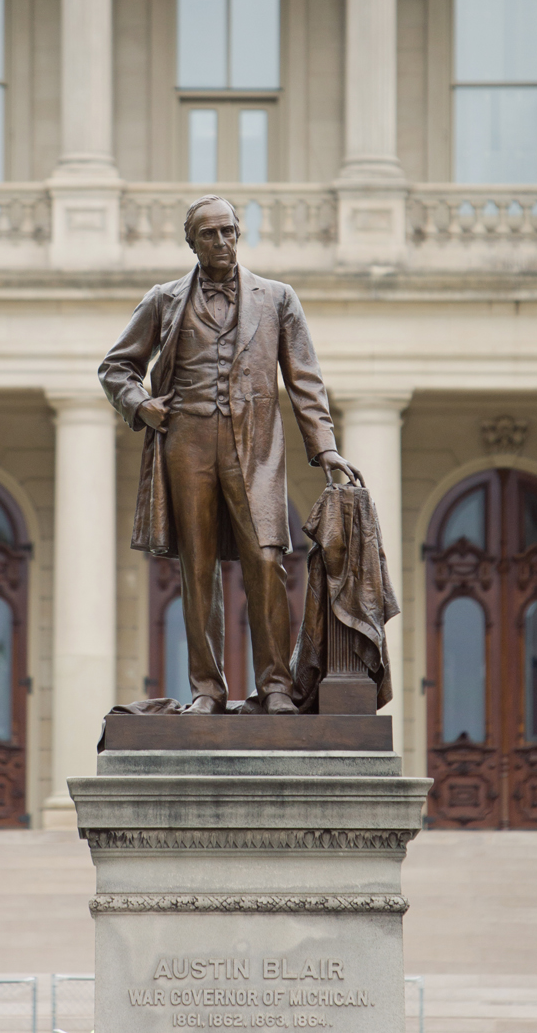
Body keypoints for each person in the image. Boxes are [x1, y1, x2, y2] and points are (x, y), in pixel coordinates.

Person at [98, 194, 362, 715]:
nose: (222, 242)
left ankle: (276, 686)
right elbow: (115, 368)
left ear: (239, 234)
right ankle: (207, 688)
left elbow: (305, 381)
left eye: (229, 232)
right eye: (210, 234)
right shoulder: (164, 299)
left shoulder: (278, 298)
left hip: (256, 447)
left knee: (266, 560)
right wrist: (141, 405)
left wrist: (325, 449)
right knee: (197, 569)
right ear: (191, 243)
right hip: (186, 443)